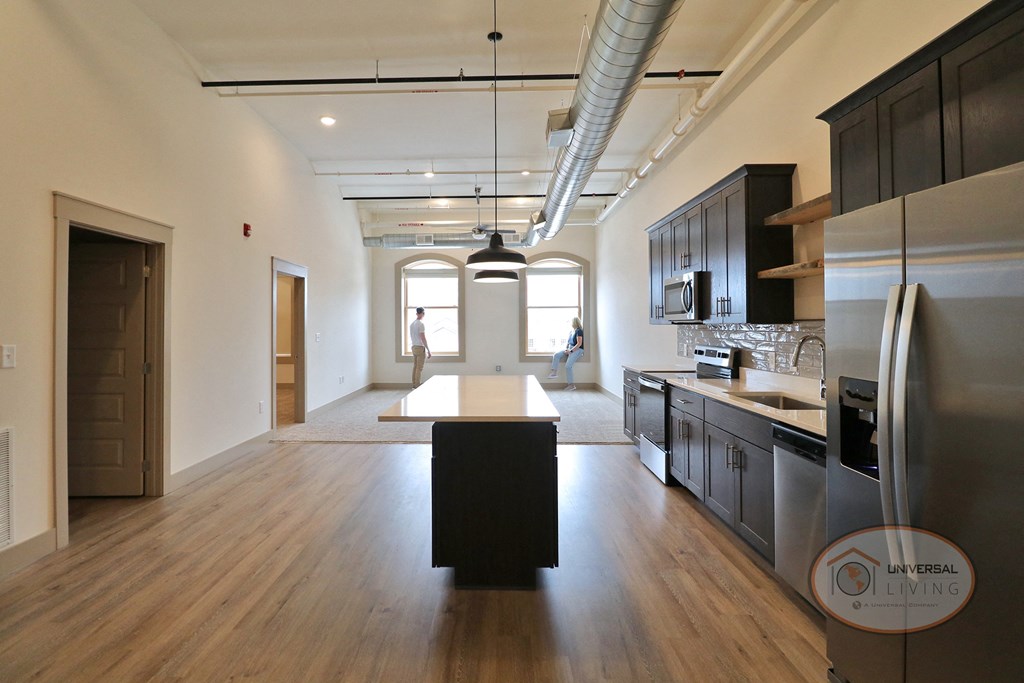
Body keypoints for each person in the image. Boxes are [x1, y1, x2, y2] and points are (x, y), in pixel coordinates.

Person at [547, 317, 583, 390]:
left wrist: (571, 351)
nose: (570, 324)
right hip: (570, 348)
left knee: (568, 366)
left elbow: (579, 343)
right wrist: (567, 349)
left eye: (571, 322)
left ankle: (571, 385)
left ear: (574, 322)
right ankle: (554, 373)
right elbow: (568, 342)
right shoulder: (571, 331)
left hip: (577, 349)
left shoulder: (579, 331)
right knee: (556, 355)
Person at [409, 306, 431, 388]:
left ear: (416, 313)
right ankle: (417, 385)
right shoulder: (421, 324)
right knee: (419, 368)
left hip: (413, 347)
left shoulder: (412, 324)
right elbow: (423, 337)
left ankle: (414, 384)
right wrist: (428, 350)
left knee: (415, 367)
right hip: (420, 347)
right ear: (422, 313)